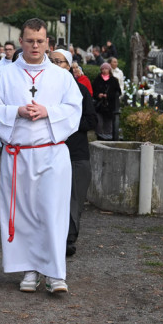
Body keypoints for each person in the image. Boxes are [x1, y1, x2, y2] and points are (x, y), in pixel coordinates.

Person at [0, 18, 82, 295]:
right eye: (29, 40)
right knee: (24, 214)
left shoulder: (62, 77)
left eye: (40, 41)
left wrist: (48, 112)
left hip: (52, 154)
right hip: (19, 156)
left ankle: (55, 272)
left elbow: (75, 109)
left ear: (48, 43)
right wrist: (17, 111)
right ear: (21, 42)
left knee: (52, 212)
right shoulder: (4, 75)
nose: (35, 46)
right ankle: (29, 269)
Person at [50, 49, 96, 257]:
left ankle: (69, 237)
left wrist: (66, 123)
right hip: (48, 150)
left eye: (60, 62)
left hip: (75, 152)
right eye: (52, 61)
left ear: (69, 66)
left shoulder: (80, 90)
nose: (56, 65)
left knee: (74, 197)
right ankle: (50, 236)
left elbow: (91, 120)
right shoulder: (43, 90)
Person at [92, 62, 122, 141]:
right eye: (103, 69)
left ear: (109, 70)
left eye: (106, 69)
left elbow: (118, 92)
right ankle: (99, 138)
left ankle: (108, 137)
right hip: (99, 105)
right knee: (99, 122)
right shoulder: (97, 79)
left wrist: (108, 95)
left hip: (110, 105)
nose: (105, 70)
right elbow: (93, 91)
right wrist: (98, 95)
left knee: (108, 123)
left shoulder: (114, 80)